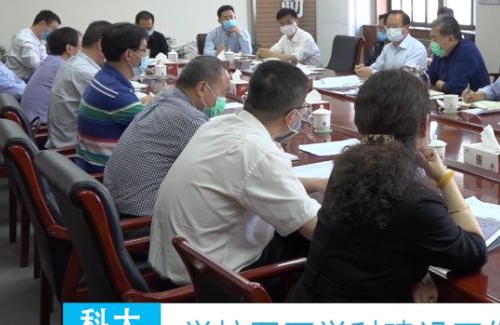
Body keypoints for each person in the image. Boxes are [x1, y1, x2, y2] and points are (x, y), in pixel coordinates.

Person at [288, 69, 487, 302]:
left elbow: (374, 247)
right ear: (425, 126)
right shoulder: (417, 202)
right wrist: (444, 178)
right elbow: (474, 252)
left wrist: (414, 269)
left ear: (360, 124)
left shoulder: (344, 173)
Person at [149, 60, 325, 285]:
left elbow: (253, 180)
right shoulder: (257, 151)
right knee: (320, 245)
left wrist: (316, 183)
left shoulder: (217, 126)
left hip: (180, 263)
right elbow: (315, 228)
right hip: (211, 283)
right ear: (293, 116)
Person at [104, 56, 230, 218]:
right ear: (202, 88)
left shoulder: (164, 97)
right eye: (222, 92)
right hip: (141, 218)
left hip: (115, 204)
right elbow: (220, 170)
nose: (223, 99)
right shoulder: (191, 119)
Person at [75, 22, 152, 173]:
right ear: (129, 54)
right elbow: (155, 130)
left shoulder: (105, 78)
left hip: (92, 165)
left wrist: (146, 104)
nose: (146, 56)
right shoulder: (115, 93)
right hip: (108, 175)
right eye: (143, 51)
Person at [47, 20, 111, 149]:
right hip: (72, 149)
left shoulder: (77, 62)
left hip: (68, 141)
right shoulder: (84, 71)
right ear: (101, 45)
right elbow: (116, 111)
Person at [19, 26, 80, 126]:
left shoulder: (51, 61)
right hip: (39, 125)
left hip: (29, 120)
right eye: (81, 46)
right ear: (69, 48)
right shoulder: (62, 67)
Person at [354, 10, 427, 78]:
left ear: (406, 27)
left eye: (395, 27)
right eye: (388, 27)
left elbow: (405, 77)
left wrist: (372, 73)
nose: (391, 30)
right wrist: (363, 70)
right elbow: (376, 67)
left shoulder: (417, 48)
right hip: (387, 85)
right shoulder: (387, 48)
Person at [426, 16, 489, 95]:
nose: (432, 42)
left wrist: (440, 84)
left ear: (450, 38)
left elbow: (456, 89)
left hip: (475, 101)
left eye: (434, 38)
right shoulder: (441, 52)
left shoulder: (467, 51)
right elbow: (430, 78)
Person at [7, 10, 61, 80]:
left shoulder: (39, 40)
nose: (53, 33)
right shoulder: (24, 39)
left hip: (29, 78)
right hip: (18, 80)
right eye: (53, 29)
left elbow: (45, 60)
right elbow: (36, 65)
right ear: (42, 23)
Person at [258, 7, 322, 66]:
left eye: (289, 22)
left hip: (314, 73)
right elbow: (273, 51)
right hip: (295, 71)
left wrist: (271, 54)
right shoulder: (284, 38)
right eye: (282, 24)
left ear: (296, 20)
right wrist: (265, 54)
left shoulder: (306, 38)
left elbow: (294, 59)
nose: (285, 26)